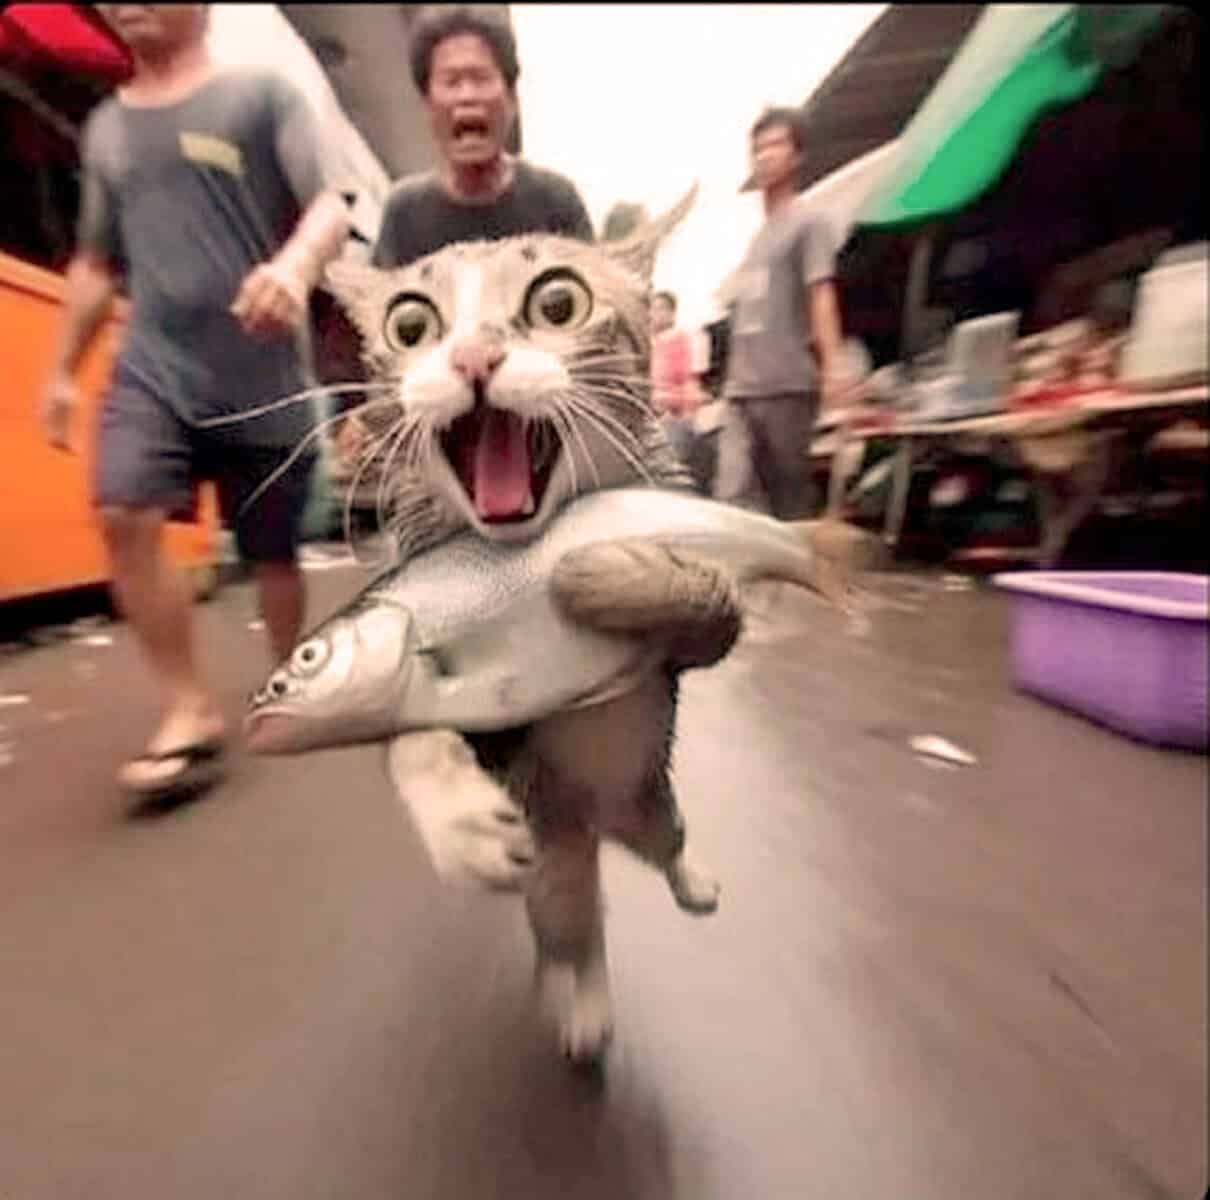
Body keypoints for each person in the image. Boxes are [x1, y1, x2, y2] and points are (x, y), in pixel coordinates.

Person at [39, 4, 350, 802]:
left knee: (271, 554)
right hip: (156, 365)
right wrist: (65, 370)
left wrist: (293, 268)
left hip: (262, 377)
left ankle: (288, 677)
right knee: (122, 512)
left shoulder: (260, 97)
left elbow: (329, 206)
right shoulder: (105, 128)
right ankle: (188, 707)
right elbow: (95, 262)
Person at [371, 5, 593, 270]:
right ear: (428, 106)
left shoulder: (556, 200)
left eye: (481, 78)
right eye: (451, 82)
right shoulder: (403, 212)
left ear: (511, 100)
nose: (467, 96)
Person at [715, 106, 848, 520]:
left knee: (788, 502)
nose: (764, 156)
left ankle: (800, 577)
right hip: (741, 390)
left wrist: (834, 368)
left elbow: (821, 293)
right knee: (730, 491)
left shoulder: (810, 222)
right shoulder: (757, 239)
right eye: (758, 148)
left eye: (776, 145)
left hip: (788, 386)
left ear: (797, 156)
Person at [649, 290, 706, 465]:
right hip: (651, 417)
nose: (653, 315)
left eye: (660, 309)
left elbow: (691, 382)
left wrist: (686, 415)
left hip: (674, 418)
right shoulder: (650, 343)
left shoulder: (684, 340)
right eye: (651, 309)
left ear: (671, 313)